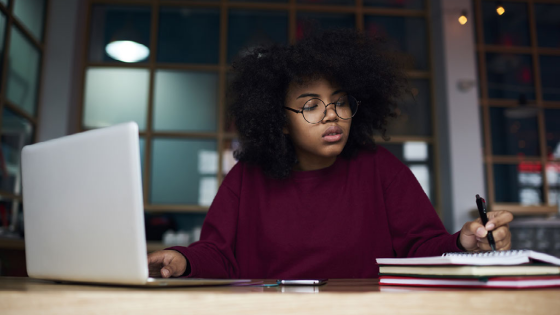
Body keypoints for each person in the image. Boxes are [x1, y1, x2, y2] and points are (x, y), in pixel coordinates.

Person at [147, 29, 513, 279]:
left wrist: (463, 242)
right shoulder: (247, 177)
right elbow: (218, 253)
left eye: (339, 102)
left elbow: (419, 248)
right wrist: (183, 260)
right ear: (281, 121)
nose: (332, 114)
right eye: (311, 106)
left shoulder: (381, 168)